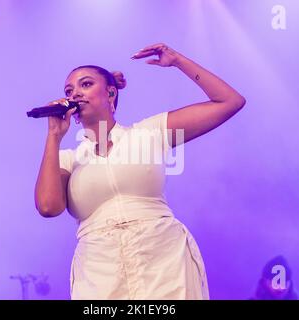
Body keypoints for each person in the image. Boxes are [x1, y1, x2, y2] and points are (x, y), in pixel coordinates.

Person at [34, 43, 246, 299]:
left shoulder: (148, 133)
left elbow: (229, 102)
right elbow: (48, 207)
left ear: (110, 94)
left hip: (162, 260)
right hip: (99, 270)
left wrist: (178, 60)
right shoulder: (69, 159)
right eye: (69, 90)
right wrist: (54, 135)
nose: (75, 93)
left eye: (86, 84)